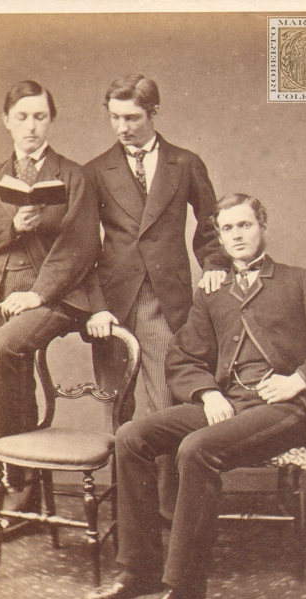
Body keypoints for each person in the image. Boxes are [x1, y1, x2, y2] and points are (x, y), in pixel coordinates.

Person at [86, 192, 306, 599]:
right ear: (219, 235)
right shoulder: (213, 293)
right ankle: (139, 570)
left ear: (262, 227)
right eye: (227, 228)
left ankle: (185, 589)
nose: (236, 235)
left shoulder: (302, 281)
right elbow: (183, 359)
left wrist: (298, 380)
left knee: (197, 449)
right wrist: (208, 394)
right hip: (231, 404)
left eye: (245, 225)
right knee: (132, 437)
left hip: (288, 409)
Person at [83, 74, 228, 519]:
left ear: (154, 114)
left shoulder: (185, 163)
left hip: (168, 301)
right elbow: (81, 248)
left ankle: (171, 512)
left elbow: (210, 226)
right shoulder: (95, 171)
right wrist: (97, 307)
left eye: (133, 118)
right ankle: (131, 515)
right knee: (118, 409)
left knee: (168, 407)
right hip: (113, 304)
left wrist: (216, 264)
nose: (123, 127)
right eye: (115, 118)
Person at [0, 81, 100, 535]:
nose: (31, 126)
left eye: (40, 116)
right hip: (5, 293)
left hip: (59, 296)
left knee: (3, 350)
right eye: (22, 117)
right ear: (6, 121)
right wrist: (12, 224)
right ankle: (28, 495)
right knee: (13, 370)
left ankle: (16, 482)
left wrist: (38, 295)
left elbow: (80, 248)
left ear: (51, 121)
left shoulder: (73, 175)